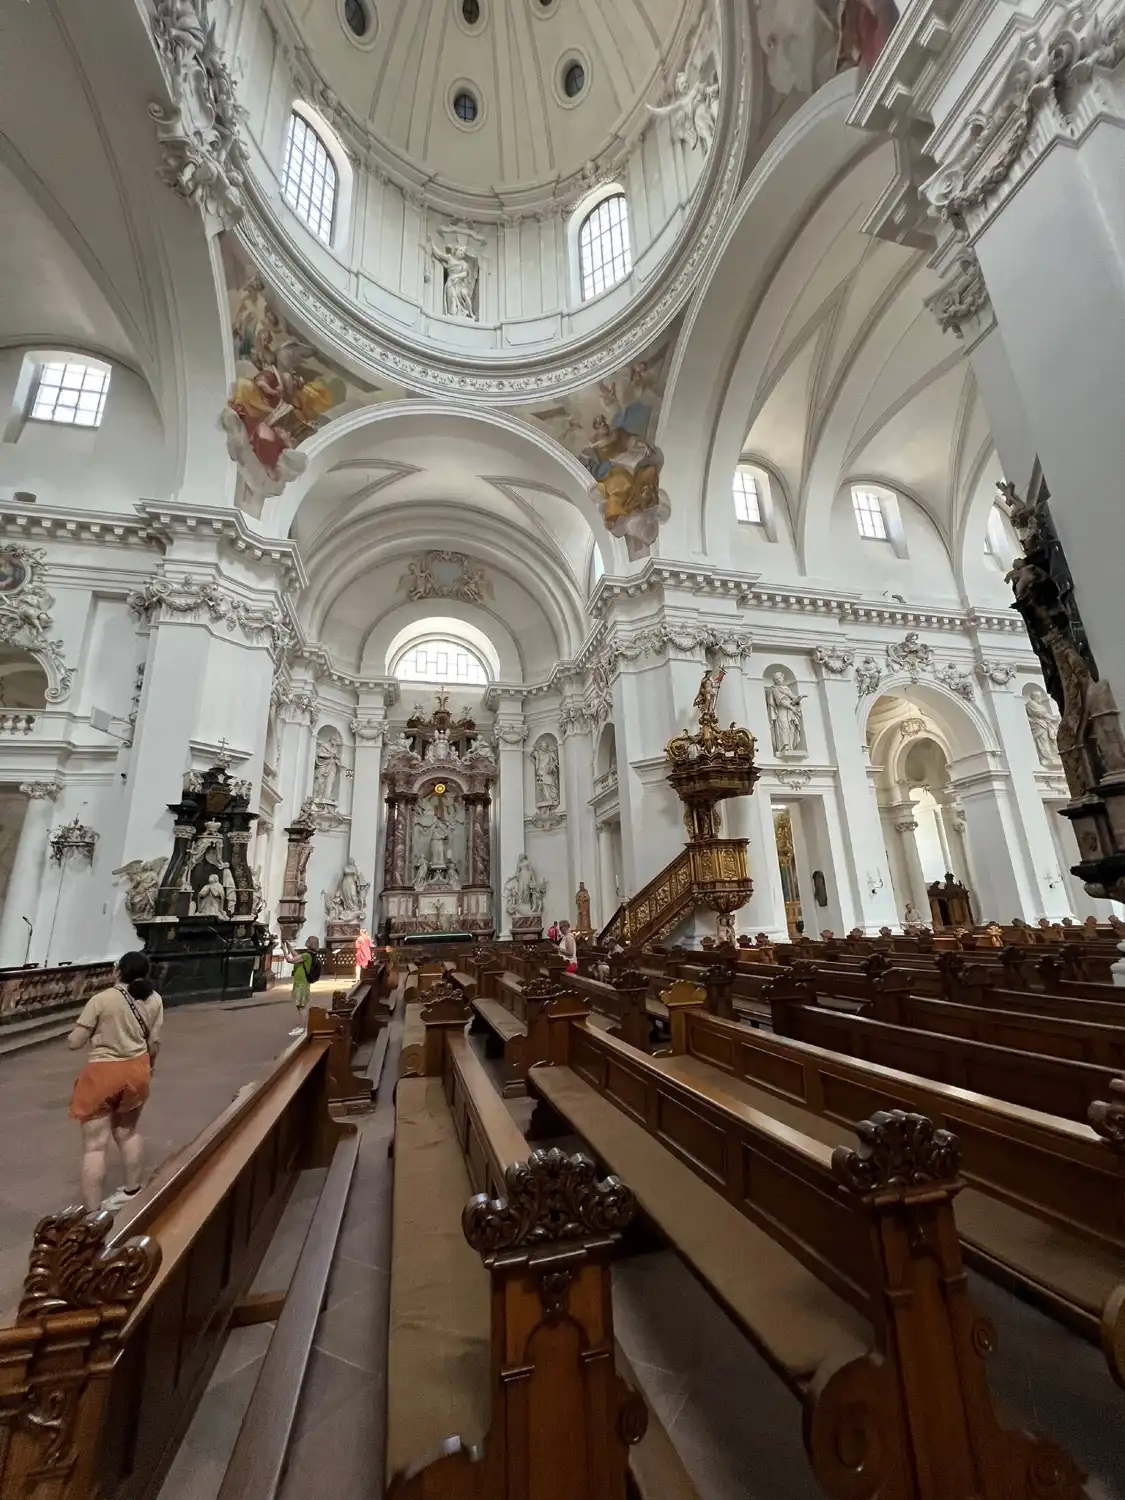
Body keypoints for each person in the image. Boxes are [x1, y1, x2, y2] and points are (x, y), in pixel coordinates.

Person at [67, 950, 163, 1213]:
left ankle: (93, 1214)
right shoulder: (154, 999)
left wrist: (74, 1035)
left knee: (95, 1147)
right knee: (128, 1132)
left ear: (118, 971)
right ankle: (132, 1191)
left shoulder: (102, 999)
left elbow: (75, 1042)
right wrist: (150, 1066)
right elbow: (154, 1041)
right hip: (137, 1069)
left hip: (103, 1073)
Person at [283, 933, 322, 1035]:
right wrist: (288, 946)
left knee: (301, 1006)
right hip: (300, 983)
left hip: (302, 984)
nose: (306, 941)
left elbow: (290, 960)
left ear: (310, 943)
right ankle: (301, 1026)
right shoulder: (309, 955)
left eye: (308, 940)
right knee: (299, 1006)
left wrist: (284, 950)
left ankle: (302, 1028)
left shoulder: (307, 955)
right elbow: (295, 955)